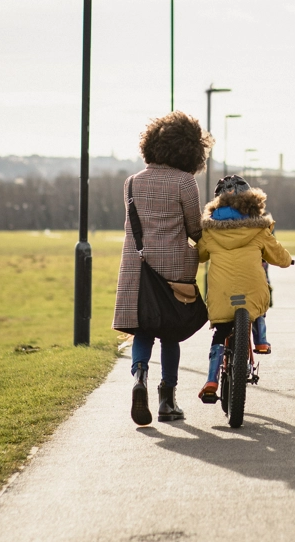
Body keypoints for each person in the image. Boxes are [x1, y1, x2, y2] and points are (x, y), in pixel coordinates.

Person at [114, 112, 211, 426]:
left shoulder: (132, 183)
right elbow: (195, 229)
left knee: (144, 329)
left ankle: (139, 378)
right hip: (174, 269)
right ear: (189, 149)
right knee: (171, 333)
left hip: (137, 271)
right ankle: (167, 400)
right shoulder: (185, 182)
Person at [197, 175, 293, 404]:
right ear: (251, 201)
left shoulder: (210, 231)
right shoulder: (259, 228)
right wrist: (288, 261)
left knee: (220, 331)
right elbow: (277, 255)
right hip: (252, 288)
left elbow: (200, 255)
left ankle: (212, 378)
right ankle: (261, 340)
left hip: (221, 292)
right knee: (258, 304)